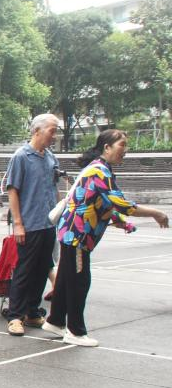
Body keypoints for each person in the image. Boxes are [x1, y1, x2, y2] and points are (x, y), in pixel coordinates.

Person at [45, 130, 169, 347]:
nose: (125, 150)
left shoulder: (99, 169)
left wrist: (121, 222)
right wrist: (156, 213)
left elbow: (103, 203)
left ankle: (55, 321)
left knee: (66, 279)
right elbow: (122, 204)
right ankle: (75, 331)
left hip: (72, 233)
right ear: (107, 147)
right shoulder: (100, 171)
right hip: (78, 234)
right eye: (122, 145)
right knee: (79, 282)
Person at [3, 114, 61, 337]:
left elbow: (54, 188)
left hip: (48, 223)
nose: (54, 136)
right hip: (29, 224)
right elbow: (12, 191)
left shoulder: (50, 157)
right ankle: (15, 316)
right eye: (52, 131)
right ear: (37, 131)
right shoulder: (21, 156)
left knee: (42, 269)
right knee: (24, 271)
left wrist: (60, 213)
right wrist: (18, 223)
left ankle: (32, 311)